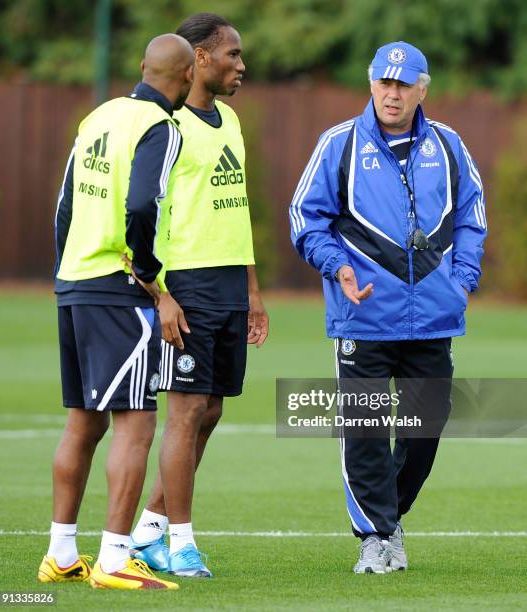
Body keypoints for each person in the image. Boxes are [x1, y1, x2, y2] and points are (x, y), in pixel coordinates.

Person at [289, 41, 486, 574]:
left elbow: (471, 215)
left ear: (423, 88)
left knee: (427, 426)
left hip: (433, 320)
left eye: (403, 84)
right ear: (371, 83)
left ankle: (388, 516)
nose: (391, 93)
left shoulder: (448, 145)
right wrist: (338, 267)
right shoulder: (340, 144)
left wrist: (463, 279)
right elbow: (306, 219)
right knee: (367, 431)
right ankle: (375, 537)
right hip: (363, 317)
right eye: (383, 82)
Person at [38, 34, 194, 590]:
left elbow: (65, 204)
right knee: (137, 421)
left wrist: (67, 270)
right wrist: (151, 279)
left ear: (143, 68)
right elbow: (142, 204)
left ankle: (60, 553)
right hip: (119, 290)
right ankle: (113, 558)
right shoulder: (162, 128)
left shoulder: (98, 116)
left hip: (76, 281)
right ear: (186, 76)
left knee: (83, 420)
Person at [130, 13, 269, 578]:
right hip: (185, 285)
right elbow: (137, 215)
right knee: (185, 413)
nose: (241, 64)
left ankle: (150, 530)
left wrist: (254, 290)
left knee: (209, 410)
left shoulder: (230, 119)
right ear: (200, 60)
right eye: (232, 54)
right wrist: (159, 293)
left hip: (231, 286)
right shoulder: (166, 127)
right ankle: (182, 544)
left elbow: (237, 210)